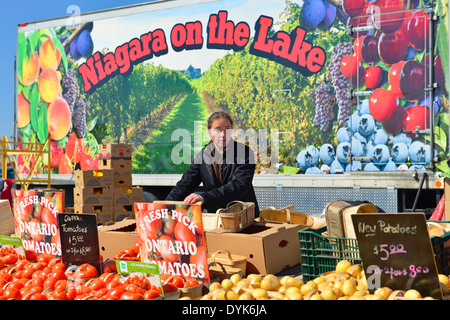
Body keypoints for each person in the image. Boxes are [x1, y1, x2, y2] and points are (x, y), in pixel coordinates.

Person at [166, 111, 260, 216]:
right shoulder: (203, 155)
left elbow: (239, 186)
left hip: (242, 216)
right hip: (216, 217)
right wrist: (164, 207)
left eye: (227, 129)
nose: (223, 134)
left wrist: (205, 197)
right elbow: (185, 184)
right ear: (210, 132)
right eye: (218, 130)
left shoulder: (244, 152)